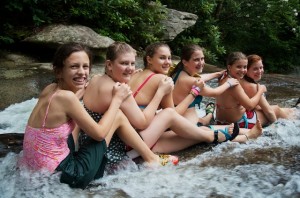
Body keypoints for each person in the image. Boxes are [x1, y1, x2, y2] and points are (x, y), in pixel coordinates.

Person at [18, 42, 172, 190]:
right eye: (74, 67)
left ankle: (149, 156)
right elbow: (99, 135)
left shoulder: (50, 89)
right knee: (116, 114)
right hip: (70, 175)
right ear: (59, 71)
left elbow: (74, 97)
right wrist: (117, 100)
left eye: (85, 67)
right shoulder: (67, 99)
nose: (82, 72)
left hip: (37, 169)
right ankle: (152, 158)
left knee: (80, 119)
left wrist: (86, 85)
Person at [82, 41, 261, 162]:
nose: (130, 69)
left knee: (188, 130)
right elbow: (171, 115)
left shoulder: (98, 79)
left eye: (131, 64)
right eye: (163, 58)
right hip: (123, 146)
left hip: (109, 143)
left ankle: (241, 134)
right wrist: (166, 94)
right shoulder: (150, 83)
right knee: (191, 131)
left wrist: (214, 74)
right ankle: (219, 135)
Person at [169, 44, 240, 126]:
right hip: (189, 125)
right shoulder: (191, 81)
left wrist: (217, 74)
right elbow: (214, 92)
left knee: (204, 122)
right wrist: (229, 83)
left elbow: (200, 78)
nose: (201, 63)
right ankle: (209, 114)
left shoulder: (179, 73)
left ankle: (208, 116)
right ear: (185, 62)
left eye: (202, 59)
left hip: (180, 120)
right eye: (196, 60)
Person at [215, 52, 268, 128]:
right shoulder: (234, 84)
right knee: (275, 110)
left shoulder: (223, 77)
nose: (242, 70)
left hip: (220, 122)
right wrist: (260, 90)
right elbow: (249, 106)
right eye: (239, 67)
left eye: (245, 67)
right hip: (238, 124)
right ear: (229, 67)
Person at [240, 54, 295, 123]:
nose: (260, 71)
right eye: (255, 69)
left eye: (261, 67)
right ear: (246, 70)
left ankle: (294, 112)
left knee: (288, 110)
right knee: (276, 109)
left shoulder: (240, 80)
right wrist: (276, 126)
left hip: (242, 116)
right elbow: (269, 112)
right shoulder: (252, 87)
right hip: (246, 120)